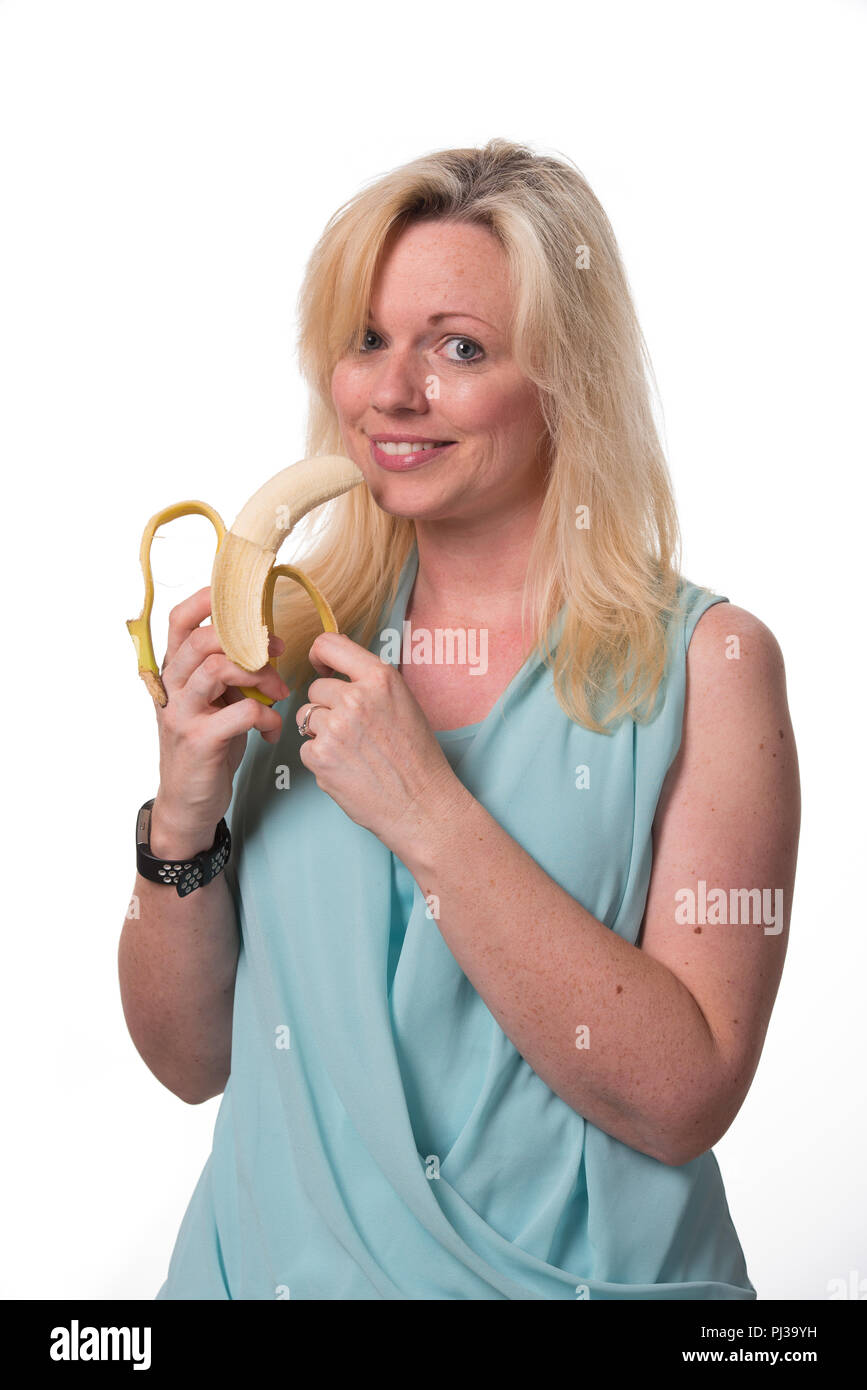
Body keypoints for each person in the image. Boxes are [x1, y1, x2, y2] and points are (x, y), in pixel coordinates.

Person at [119, 138, 800, 1300]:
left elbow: (688, 1096)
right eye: (368, 340)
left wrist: (428, 809)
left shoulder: (711, 666)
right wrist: (180, 823)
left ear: (565, 378)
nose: (392, 392)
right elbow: (190, 1063)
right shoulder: (282, 643)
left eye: (460, 348)